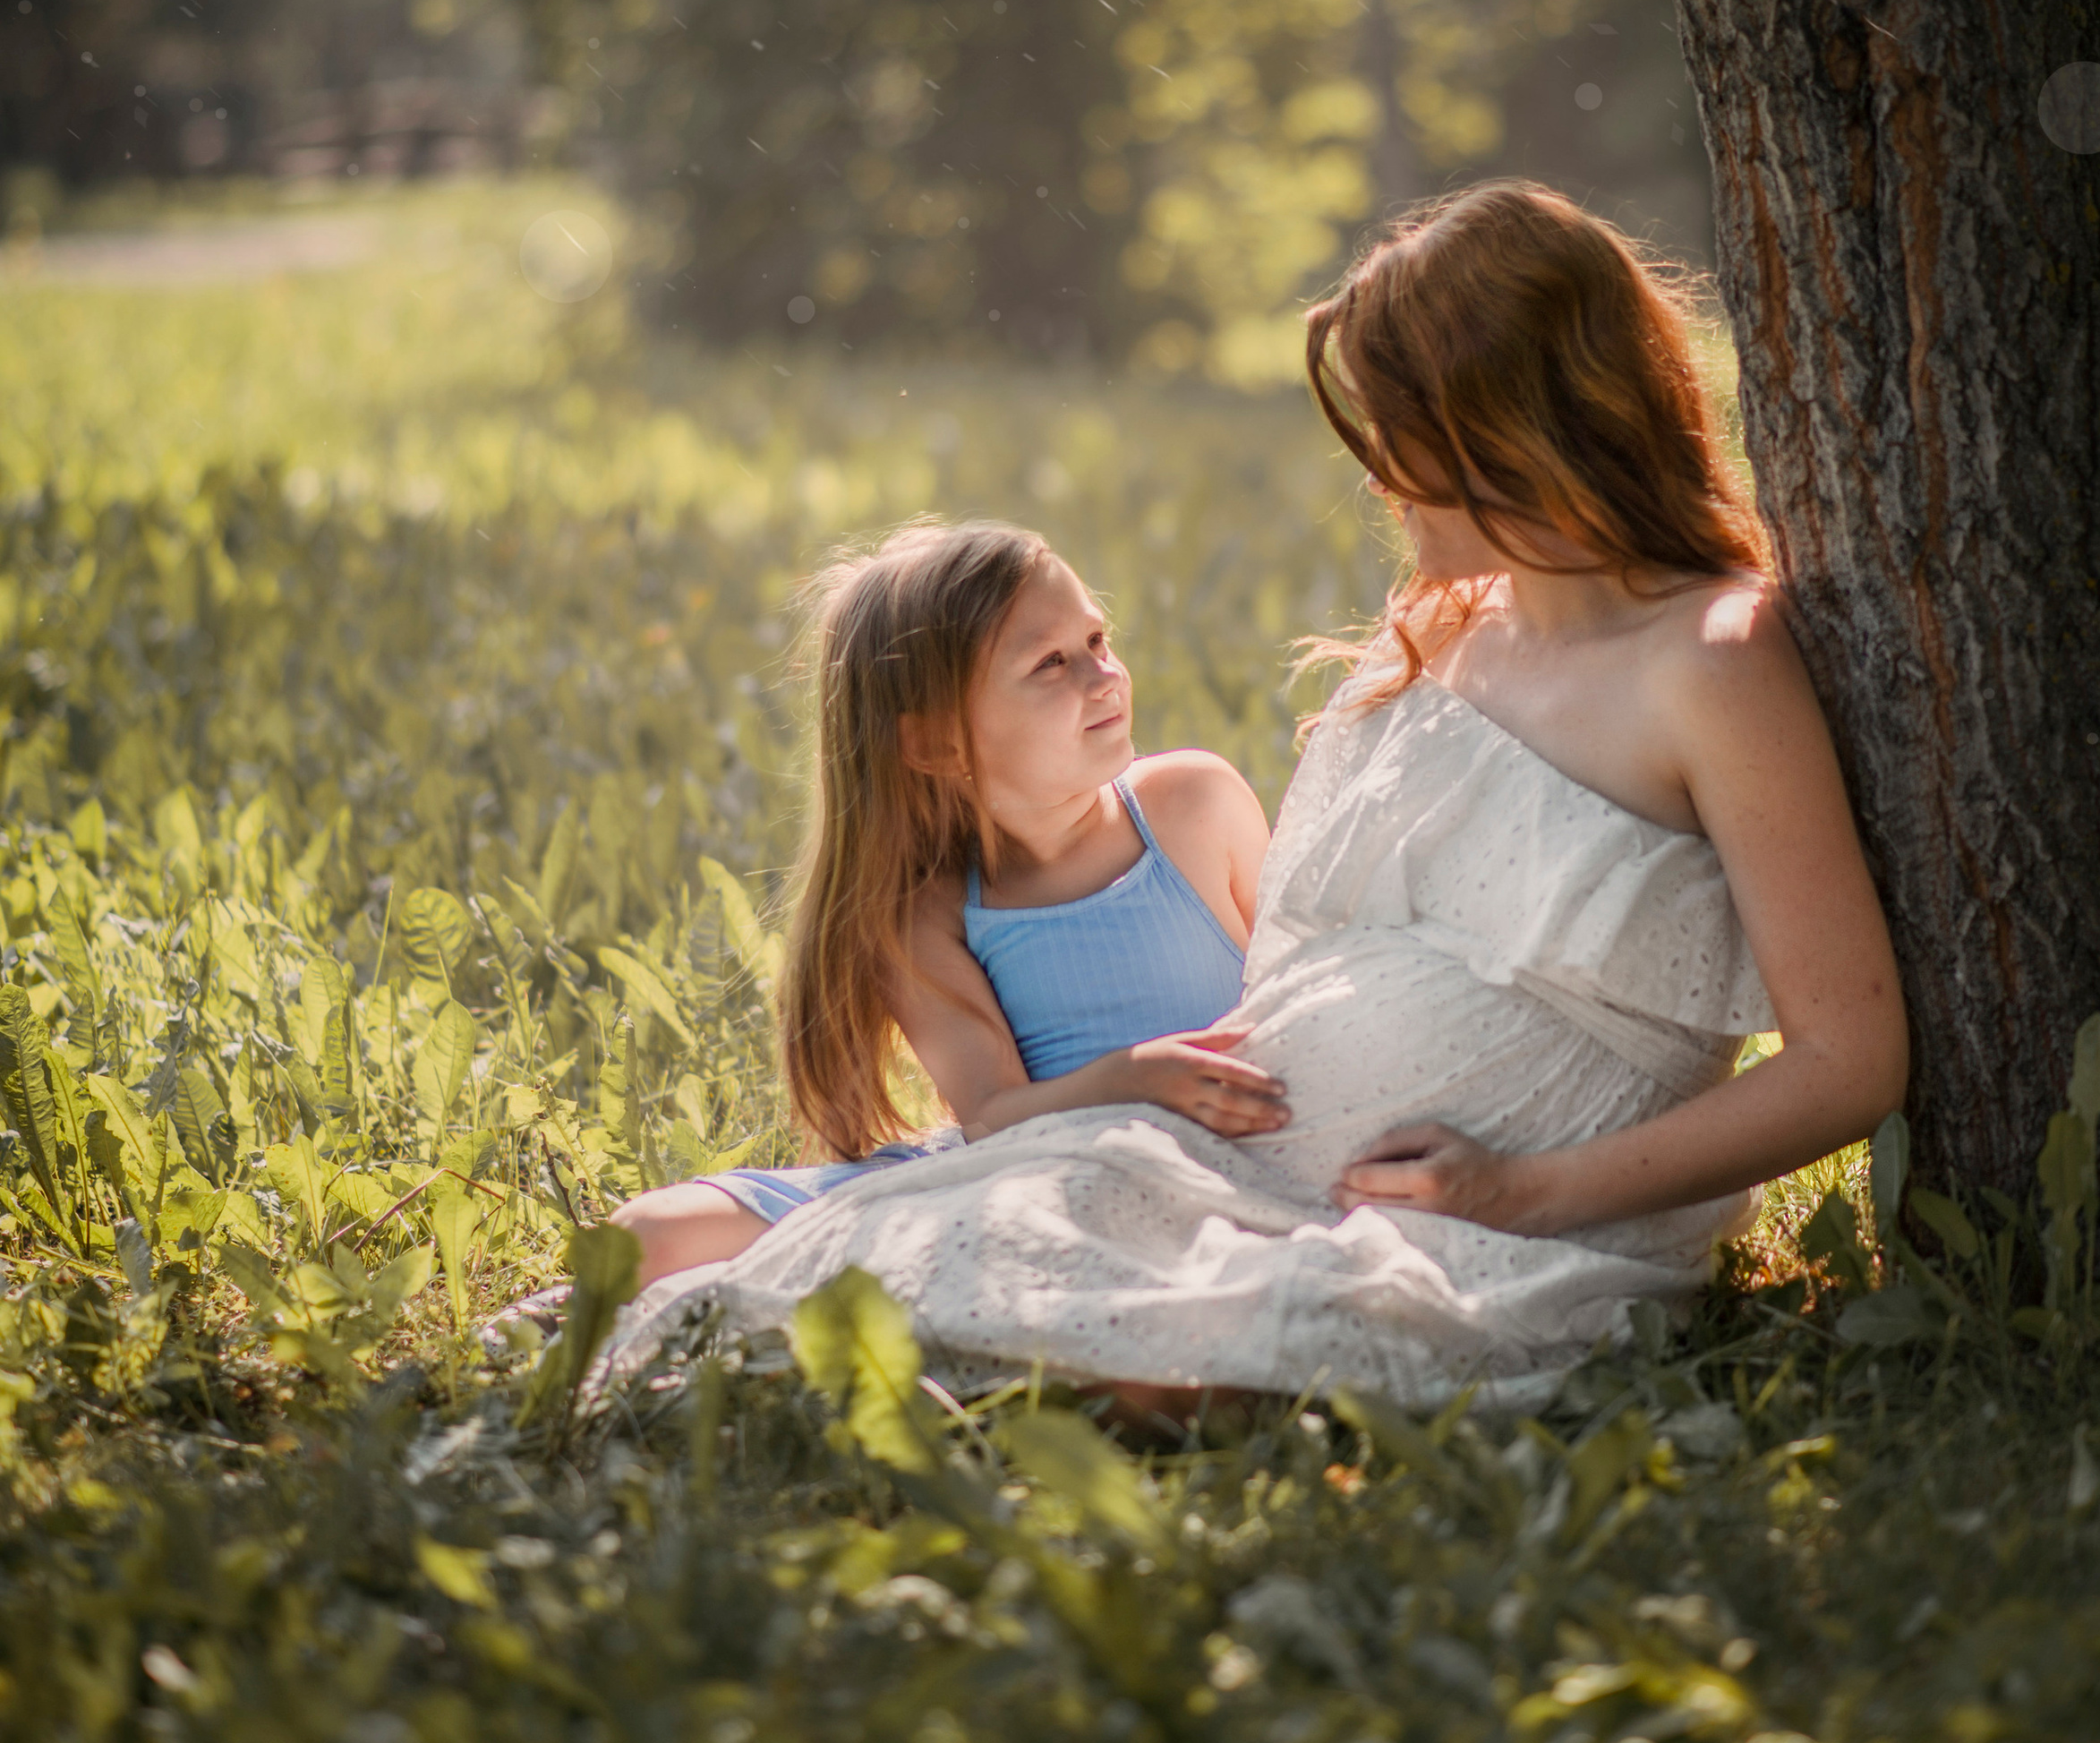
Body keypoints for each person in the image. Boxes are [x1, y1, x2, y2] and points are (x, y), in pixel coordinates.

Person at [615, 182, 1908, 1412]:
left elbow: (1851, 1058)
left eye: (1401, 430)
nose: (1382, 475)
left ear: (1512, 421)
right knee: (799, 1279)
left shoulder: (1715, 660)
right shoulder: (1448, 627)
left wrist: (1531, 1190)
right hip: (1227, 1169)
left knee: (1122, 1353)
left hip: (1491, 1222)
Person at [612, 519, 1281, 1288]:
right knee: (646, 1239)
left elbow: (1311, 984)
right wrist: (1136, 1078)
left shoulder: (1194, 804)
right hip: (1028, 1174)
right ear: (935, 745)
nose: (1105, 677)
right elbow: (992, 1113)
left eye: (1097, 640)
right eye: (1051, 663)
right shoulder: (927, 911)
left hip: (1232, 1161)